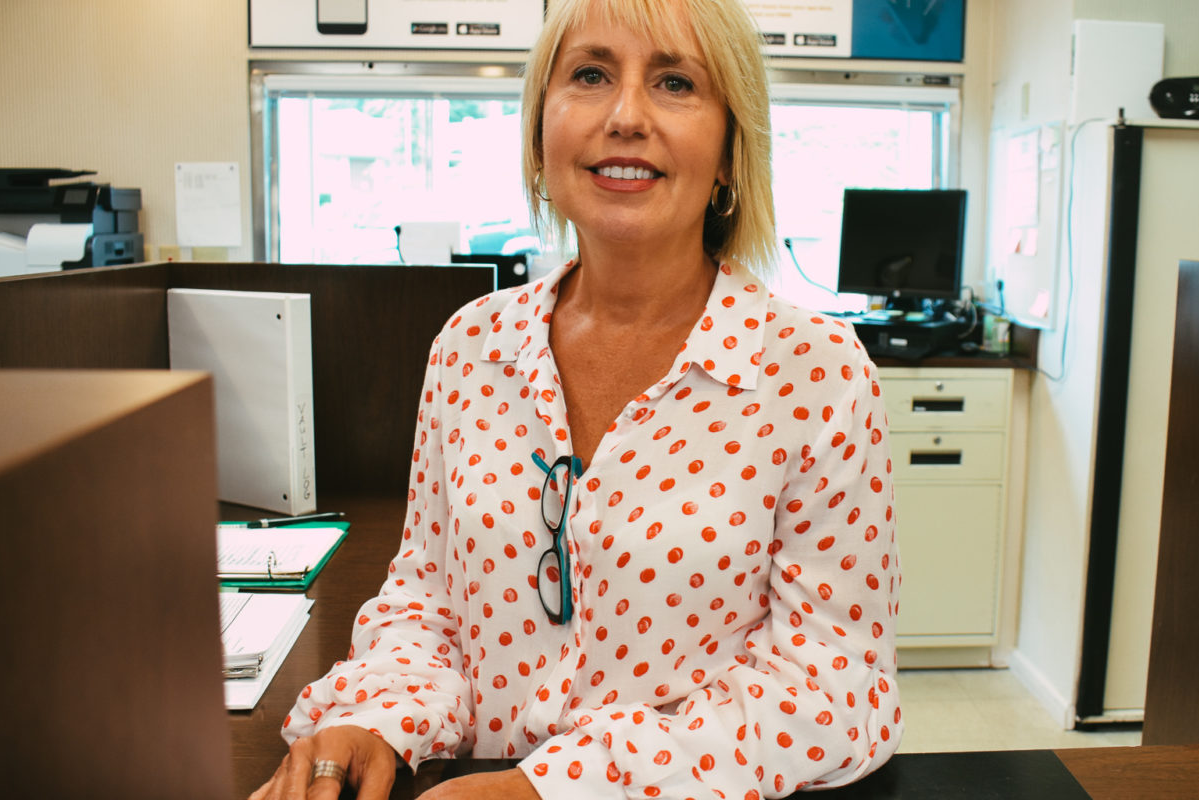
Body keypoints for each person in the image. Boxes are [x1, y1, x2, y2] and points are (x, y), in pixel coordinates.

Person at [251, 0, 901, 797]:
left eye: (675, 83)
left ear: (732, 152)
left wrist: (556, 788)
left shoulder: (817, 373)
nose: (626, 116)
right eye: (591, 75)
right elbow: (427, 602)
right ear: (538, 138)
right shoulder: (469, 348)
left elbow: (835, 691)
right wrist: (376, 718)